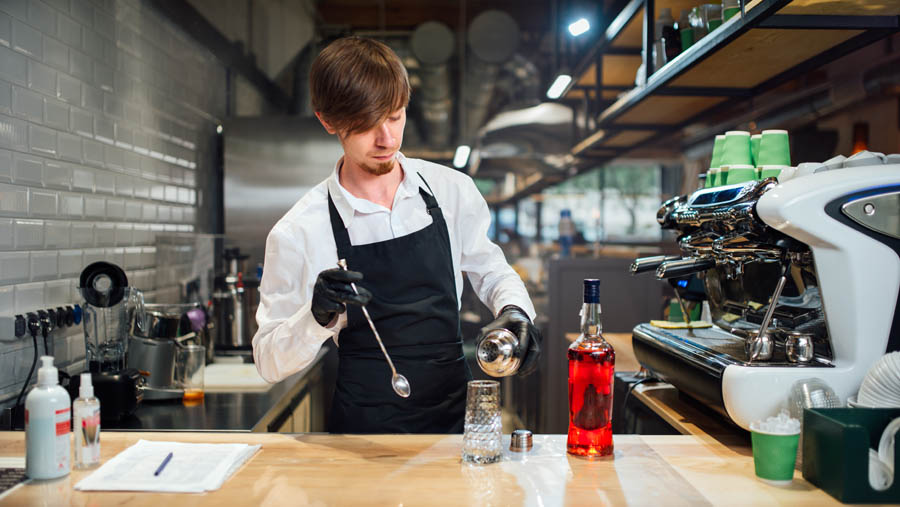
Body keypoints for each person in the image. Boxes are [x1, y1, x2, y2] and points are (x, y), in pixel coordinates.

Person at [252, 36, 542, 434]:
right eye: (365, 125)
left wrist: (514, 311)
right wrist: (315, 318)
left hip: (456, 425)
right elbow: (268, 362)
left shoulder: (450, 191)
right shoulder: (298, 231)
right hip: (363, 438)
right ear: (328, 121)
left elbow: (490, 270)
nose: (386, 139)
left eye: (393, 116)